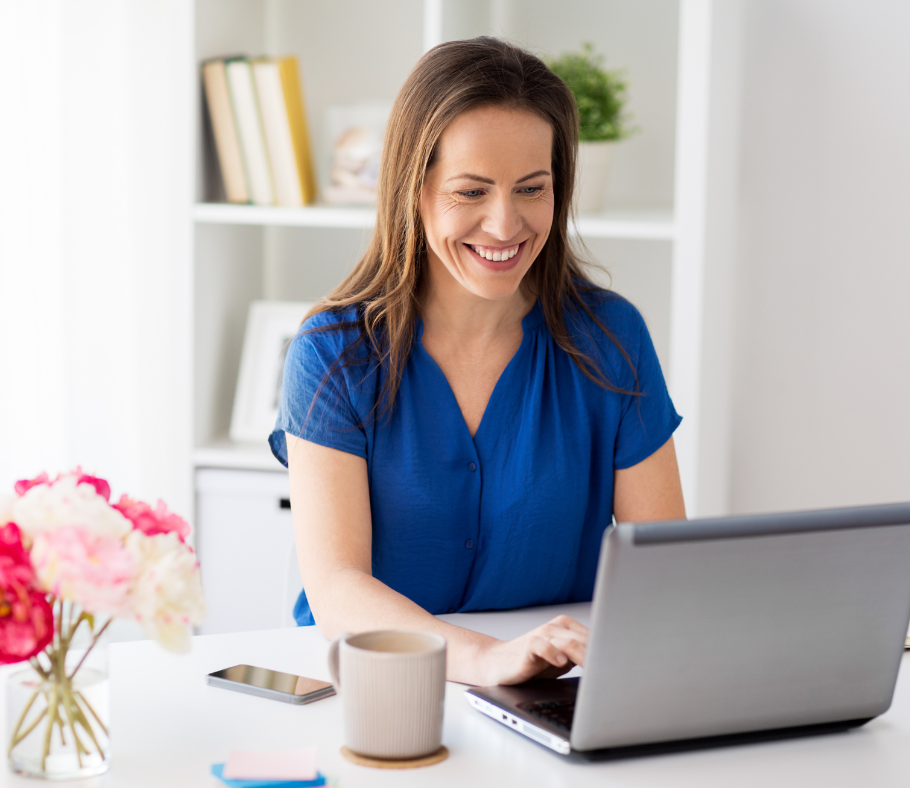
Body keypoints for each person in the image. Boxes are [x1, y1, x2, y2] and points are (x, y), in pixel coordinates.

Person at [269, 37, 685, 687]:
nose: (505, 224)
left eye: (531, 188)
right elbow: (336, 587)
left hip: (552, 693)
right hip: (377, 689)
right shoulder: (332, 354)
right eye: (471, 191)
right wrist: (486, 660)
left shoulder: (611, 338)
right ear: (415, 188)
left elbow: (664, 571)